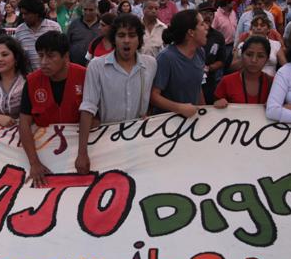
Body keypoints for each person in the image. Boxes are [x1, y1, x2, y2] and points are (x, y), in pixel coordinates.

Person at [76, 13, 157, 174]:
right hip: (108, 142)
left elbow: (152, 97)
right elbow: (88, 107)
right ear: (114, 39)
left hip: (139, 141)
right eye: (121, 35)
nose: (126, 40)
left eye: (132, 35)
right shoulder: (96, 66)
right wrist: (82, 153)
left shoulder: (151, 64)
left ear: (139, 39)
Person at [19, 31, 86, 187]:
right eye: (40, 55)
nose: (43, 62)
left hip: (79, 157)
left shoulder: (85, 76)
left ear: (66, 56)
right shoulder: (31, 81)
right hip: (45, 158)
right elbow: (23, 123)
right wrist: (34, 163)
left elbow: (96, 119)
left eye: (50, 56)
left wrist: (83, 152)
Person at [151, 9, 207, 117]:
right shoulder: (166, 58)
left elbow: (197, 86)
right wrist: (179, 108)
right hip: (167, 124)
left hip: (192, 119)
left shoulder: (200, 52)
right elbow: (154, 96)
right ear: (191, 32)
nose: (206, 27)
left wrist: (203, 110)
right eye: (202, 24)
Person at [214, 36, 273, 108]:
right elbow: (213, 105)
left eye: (260, 56)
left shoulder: (274, 83)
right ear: (241, 55)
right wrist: (218, 103)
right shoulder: (227, 81)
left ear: (267, 59)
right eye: (249, 54)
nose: (254, 60)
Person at [13, 0, 62, 70]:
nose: (23, 17)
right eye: (22, 14)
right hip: (30, 77)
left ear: (36, 13)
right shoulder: (19, 30)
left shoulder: (54, 27)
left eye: (26, 14)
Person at [68, 0, 100, 66]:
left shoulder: (102, 25)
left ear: (96, 10)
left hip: (97, 67)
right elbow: (67, 43)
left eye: (91, 10)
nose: (87, 12)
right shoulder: (74, 24)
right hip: (76, 65)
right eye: (85, 9)